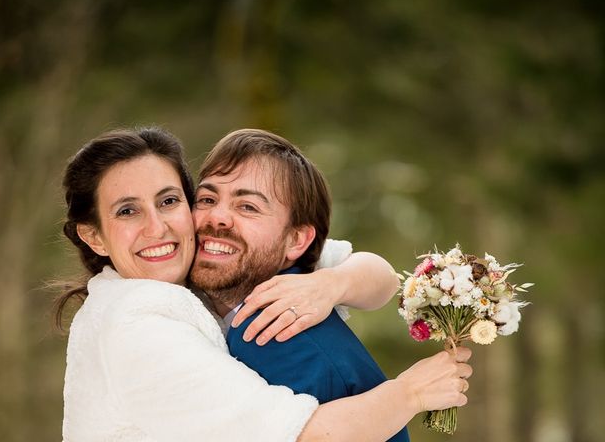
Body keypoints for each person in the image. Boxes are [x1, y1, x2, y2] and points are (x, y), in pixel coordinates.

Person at [58, 127, 473, 442]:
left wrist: (331, 285)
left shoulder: (217, 269)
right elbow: (298, 435)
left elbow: (380, 276)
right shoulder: (137, 326)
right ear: (94, 235)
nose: (157, 226)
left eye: (169, 201)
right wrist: (412, 393)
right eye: (127, 211)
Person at [189, 129, 411, 441]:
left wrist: (331, 283)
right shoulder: (177, 287)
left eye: (247, 207)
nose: (218, 217)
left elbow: (385, 278)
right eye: (207, 199)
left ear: (296, 240)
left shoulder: (275, 326)